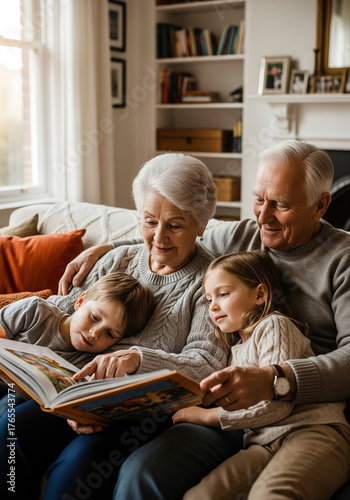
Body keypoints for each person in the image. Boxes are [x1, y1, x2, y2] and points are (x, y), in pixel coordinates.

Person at [105, 139, 350, 500]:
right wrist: (106, 250)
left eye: (280, 205)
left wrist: (276, 381)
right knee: (143, 472)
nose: (263, 217)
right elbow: (173, 231)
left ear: (321, 205)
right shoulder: (241, 235)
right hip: (237, 416)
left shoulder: (343, 259)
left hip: (304, 413)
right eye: (258, 199)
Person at [0, 152, 230, 500]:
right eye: (150, 221)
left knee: (72, 479)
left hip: (133, 417)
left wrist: (139, 358)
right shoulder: (117, 259)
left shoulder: (210, 283)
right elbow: (70, 309)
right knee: (9, 436)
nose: (159, 237)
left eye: (176, 225)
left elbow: (207, 364)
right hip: (72, 396)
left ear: (201, 225)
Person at [174, 250, 349, 500]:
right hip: (262, 443)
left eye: (223, 294)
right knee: (200, 496)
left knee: (270, 495)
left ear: (260, 294)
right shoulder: (234, 351)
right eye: (208, 298)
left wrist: (207, 417)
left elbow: (276, 406)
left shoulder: (274, 326)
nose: (213, 306)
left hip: (312, 431)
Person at [0, 271, 156, 415]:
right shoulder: (34, 310)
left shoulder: (87, 364)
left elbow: (43, 399)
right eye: (94, 317)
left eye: (109, 334)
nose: (94, 333)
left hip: (18, 398)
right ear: (80, 302)